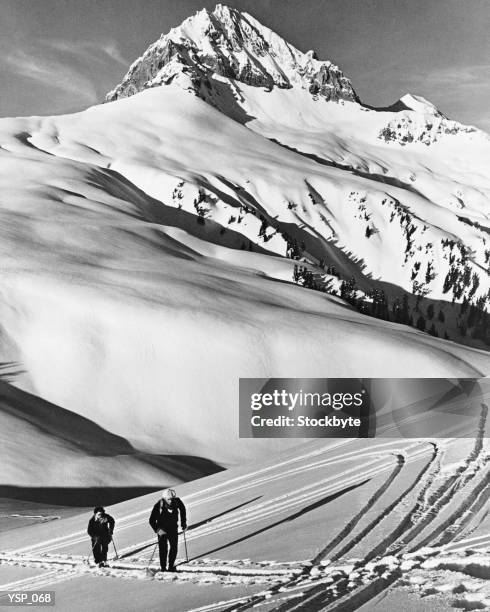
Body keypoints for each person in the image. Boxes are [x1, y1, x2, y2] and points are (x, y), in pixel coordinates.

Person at [149, 489, 187, 572]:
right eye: (169, 499)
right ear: (165, 498)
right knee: (163, 549)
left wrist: (183, 523)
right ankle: (163, 568)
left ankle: (170, 566)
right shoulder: (158, 505)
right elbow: (151, 520)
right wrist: (158, 530)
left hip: (173, 528)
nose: (171, 500)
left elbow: (183, 509)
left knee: (174, 547)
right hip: (162, 530)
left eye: (172, 498)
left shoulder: (177, 501)